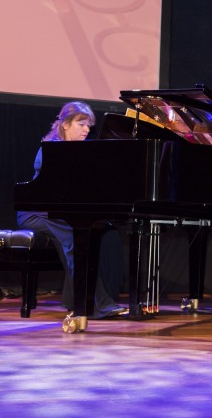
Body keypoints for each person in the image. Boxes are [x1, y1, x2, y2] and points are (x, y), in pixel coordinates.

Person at [17, 101, 128, 319]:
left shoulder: (80, 153)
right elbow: (49, 194)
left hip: (58, 213)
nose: (87, 130)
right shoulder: (51, 150)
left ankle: (76, 300)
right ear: (65, 124)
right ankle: (93, 306)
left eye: (89, 125)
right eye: (81, 124)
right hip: (37, 214)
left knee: (103, 233)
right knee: (76, 238)